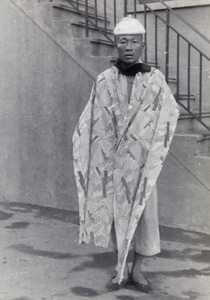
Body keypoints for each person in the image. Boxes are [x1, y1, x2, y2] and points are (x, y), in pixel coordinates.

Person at [72, 16, 179, 294]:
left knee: (145, 216)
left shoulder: (155, 79)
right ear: (116, 46)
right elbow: (92, 119)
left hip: (143, 163)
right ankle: (119, 270)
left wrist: (149, 146)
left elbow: (168, 114)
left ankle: (137, 270)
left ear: (142, 45)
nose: (128, 47)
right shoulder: (105, 79)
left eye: (134, 42)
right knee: (117, 214)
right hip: (113, 164)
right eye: (123, 42)